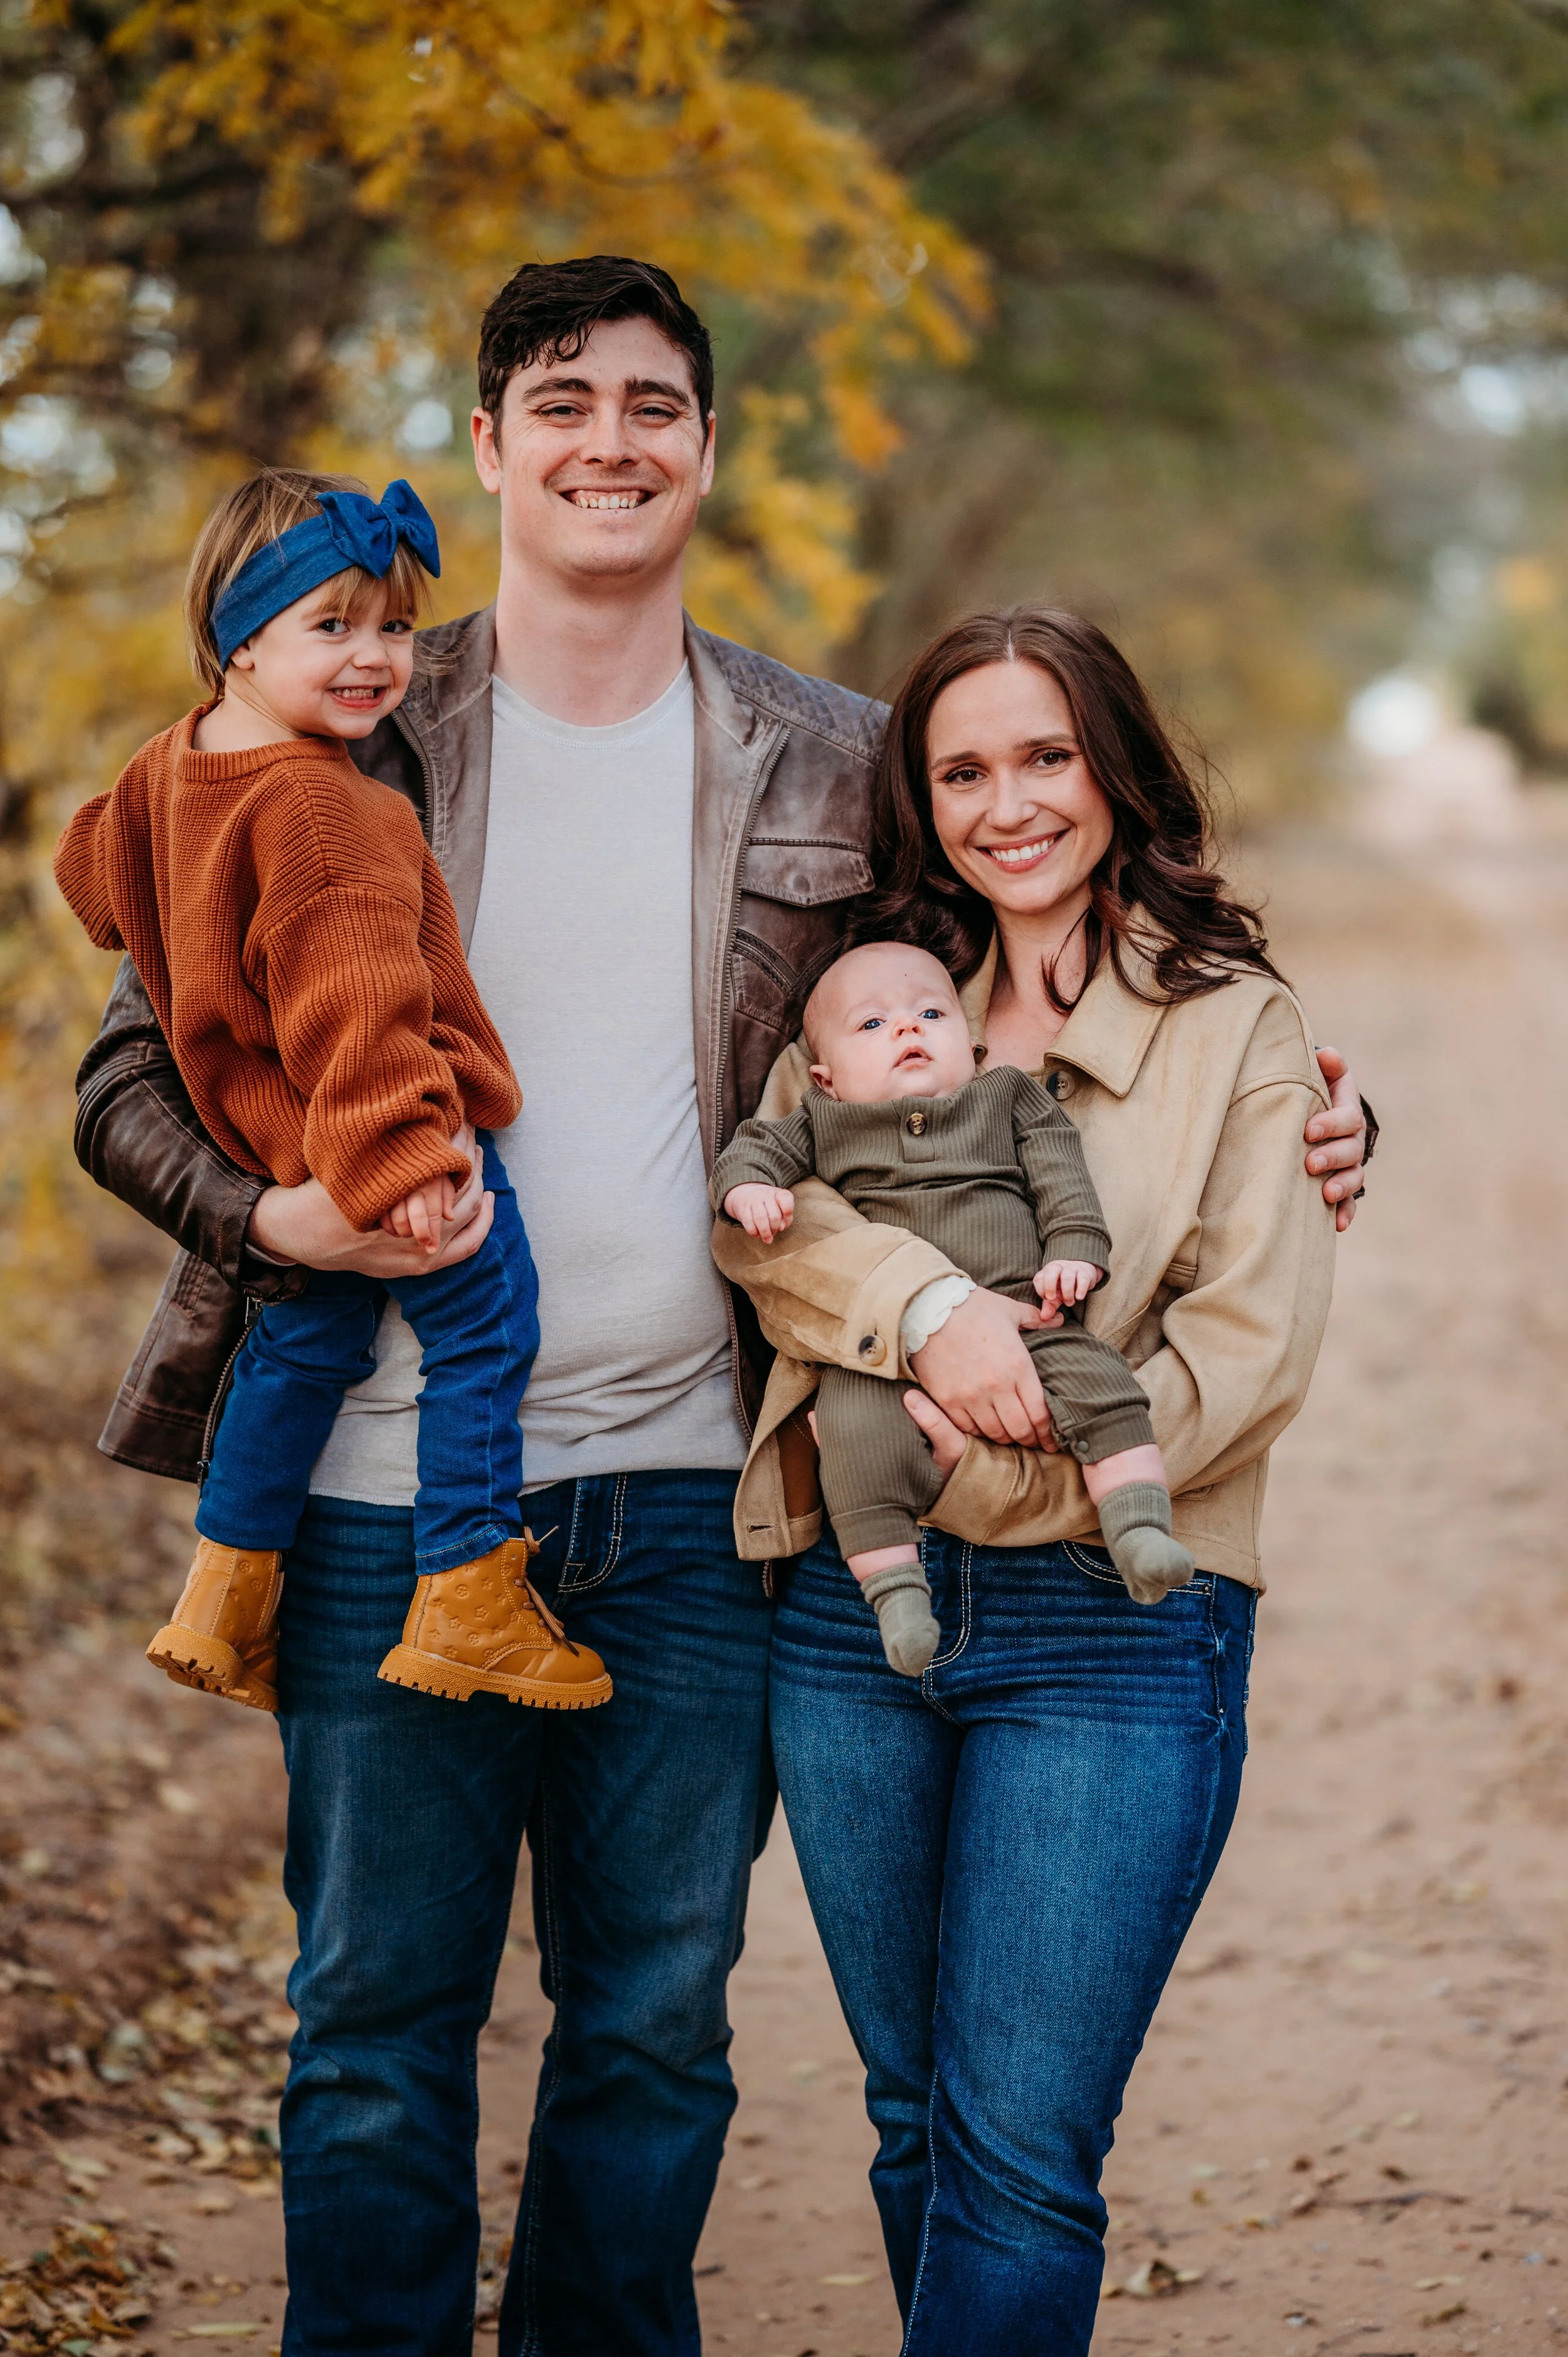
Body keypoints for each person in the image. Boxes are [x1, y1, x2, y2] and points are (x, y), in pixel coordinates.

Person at [70, 256, 1370, 2357]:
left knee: (657, 2035)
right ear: (489, 444)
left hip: (696, 1506)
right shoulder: (353, 716)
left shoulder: (835, 761)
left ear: (706, 448)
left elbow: (991, 1007)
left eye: (653, 404)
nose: (608, 440)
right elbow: (128, 1075)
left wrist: (1314, 1104)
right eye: (559, 401)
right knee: (373, 2034)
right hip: (386, 1491)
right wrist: (271, 1214)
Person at [712, 605, 1343, 2354]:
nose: (1009, 803)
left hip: (1114, 1629)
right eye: (964, 767)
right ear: (919, 797)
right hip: (854, 1625)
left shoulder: (1236, 1028)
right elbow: (771, 1236)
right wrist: (926, 1318)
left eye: (1046, 755)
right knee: (917, 2118)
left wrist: (982, 1450)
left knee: (1018, 2158)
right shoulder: (861, 1006)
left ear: (1115, 768)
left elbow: (1245, 1355)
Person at [55, 469, 608, 1718]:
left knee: (305, 1339)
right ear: (237, 640)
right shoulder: (331, 807)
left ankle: (224, 1594)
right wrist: (407, 1166)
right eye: (332, 626)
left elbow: (92, 878)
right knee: (487, 1320)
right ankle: (468, 1590)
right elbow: (359, 1009)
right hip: (387, 1132)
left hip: (272, 1148)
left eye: (396, 628)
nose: (374, 659)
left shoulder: (167, 770)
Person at [712, 939, 1191, 1674]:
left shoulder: (1004, 1097)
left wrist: (1074, 1249)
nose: (906, 1029)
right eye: (872, 1026)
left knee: (1101, 1384)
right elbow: (750, 1152)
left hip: (1026, 1318)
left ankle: (1136, 1526)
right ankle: (898, 1594)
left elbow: (1061, 1173)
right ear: (825, 1077)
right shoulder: (822, 1121)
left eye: (929, 1013)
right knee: (851, 1437)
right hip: (880, 1358)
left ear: (969, 1048)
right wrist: (750, 1189)